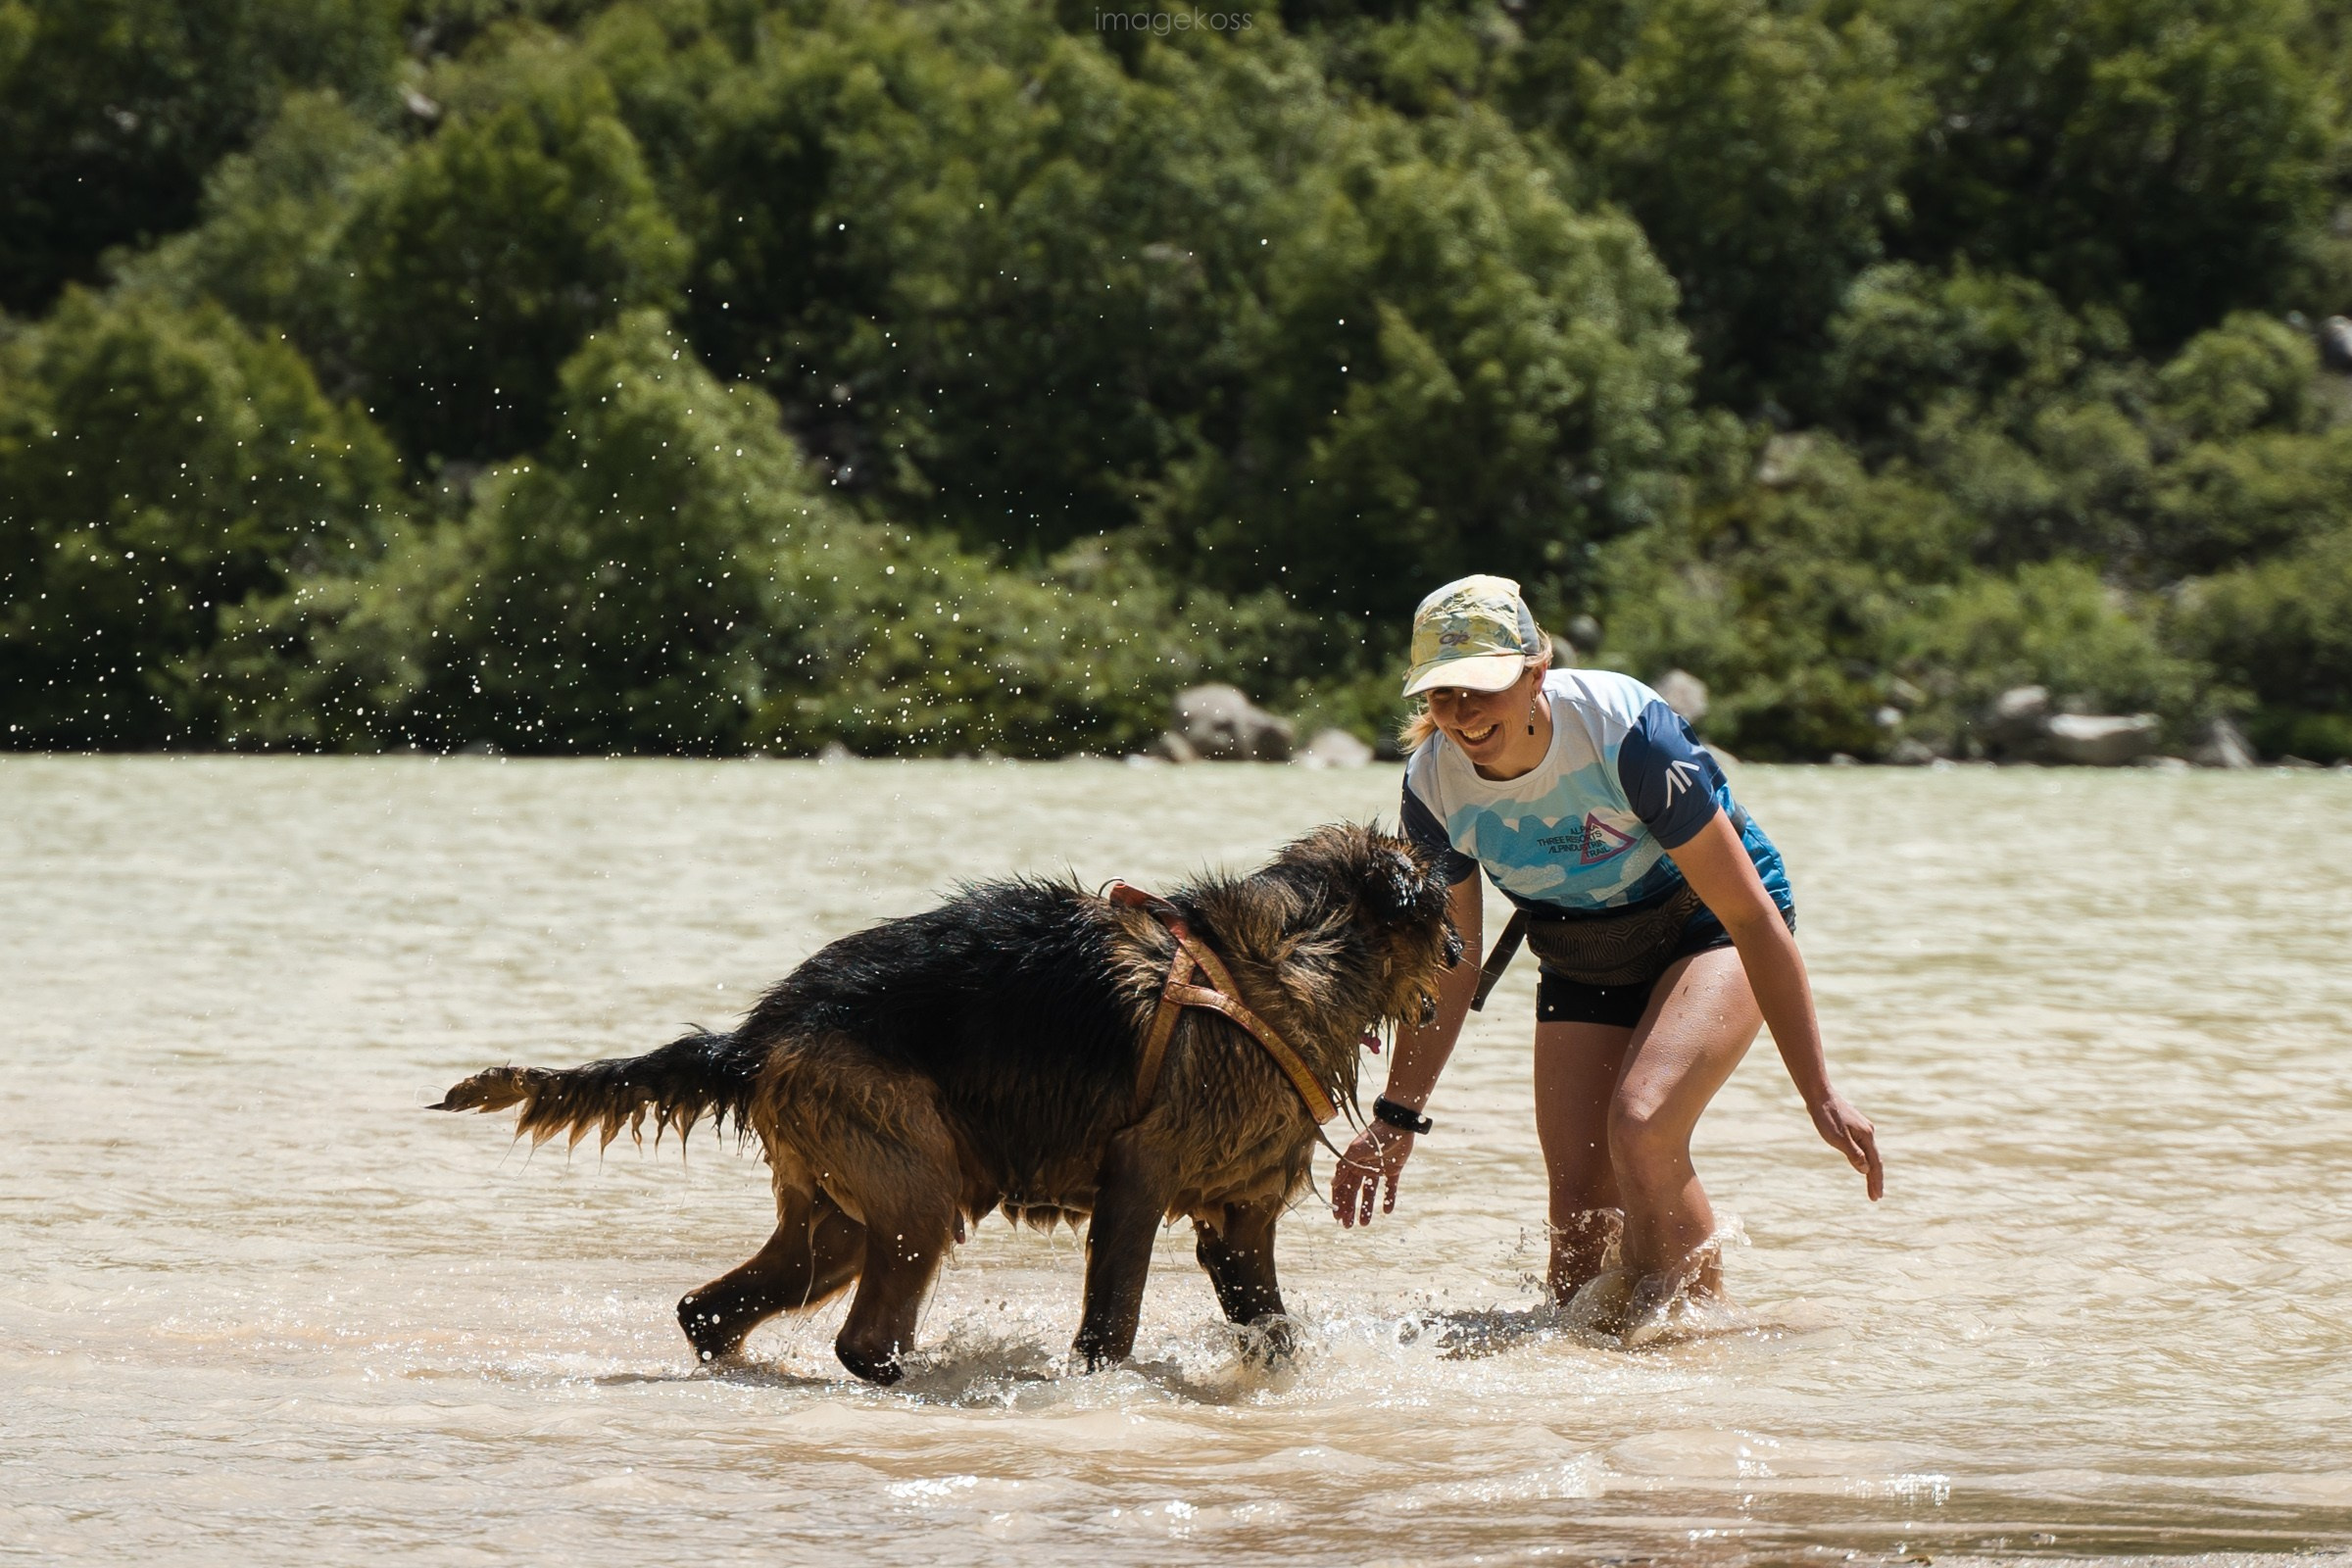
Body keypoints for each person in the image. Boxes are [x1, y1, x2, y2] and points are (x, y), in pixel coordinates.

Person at [1331, 574, 1882, 1339]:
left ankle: (1701, 1347)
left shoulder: (1624, 730)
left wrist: (1819, 1092)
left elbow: (1751, 916)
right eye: (1442, 694)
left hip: (1707, 928)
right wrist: (1397, 1114)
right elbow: (1453, 962)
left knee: (1643, 1122)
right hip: (1583, 949)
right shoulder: (1433, 788)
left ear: (1535, 672)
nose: (1463, 714)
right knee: (1579, 1232)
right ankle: (1607, 1405)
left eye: (1483, 687)